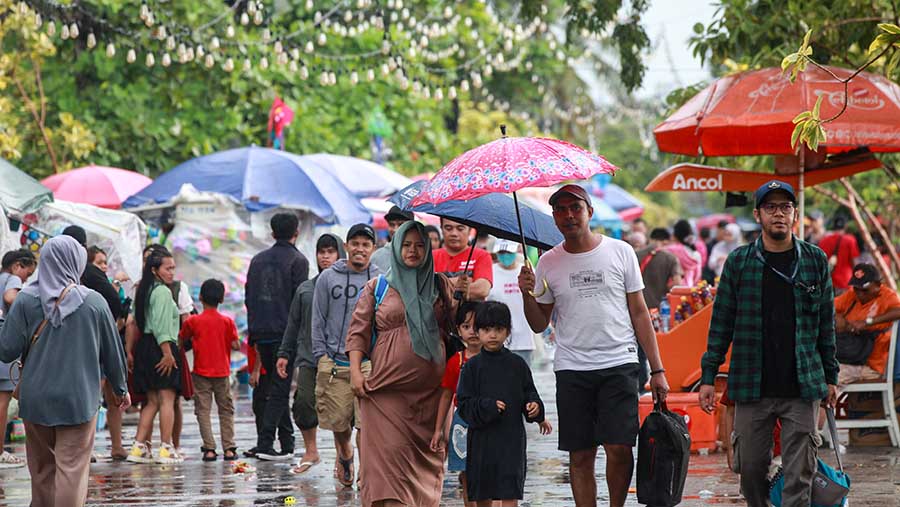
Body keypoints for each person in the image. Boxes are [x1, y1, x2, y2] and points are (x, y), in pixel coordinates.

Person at [518, 184, 669, 507]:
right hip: (573, 368)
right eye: (561, 209)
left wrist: (657, 369)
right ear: (554, 217)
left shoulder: (620, 251)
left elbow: (640, 312)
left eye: (576, 208)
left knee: (619, 447)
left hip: (620, 363)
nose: (569, 215)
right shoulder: (547, 263)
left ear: (590, 211)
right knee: (581, 453)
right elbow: (539, 323)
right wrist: (526, 293)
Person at [699, 180, 838, 507]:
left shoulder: (814, 260)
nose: (779, 213)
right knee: (749, 467)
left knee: (799, 470)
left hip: (802, 383)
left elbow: (825, 324)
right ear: (758, 214)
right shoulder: (740, 262)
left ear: (795, 214)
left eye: (785, 207)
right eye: (771, 207)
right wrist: (708, 376)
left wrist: (831, 377)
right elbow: (721, 323)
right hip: (751, 383)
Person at [0, 236, 128, 507]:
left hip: (35, 400)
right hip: (78, 400)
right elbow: (113, 352)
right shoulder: (94, 303)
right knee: (71, 469)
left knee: (43, 471)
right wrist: (120, 388)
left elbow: (6, 350)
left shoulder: (24, 300)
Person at [344, 220, 455, 506]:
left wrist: (462, 297)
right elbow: (357, 334)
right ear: (395, 247)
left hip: (432, 398)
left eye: (420, 245)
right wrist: (356, 373)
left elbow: (461, 328)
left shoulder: (440, 285)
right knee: (388, 464)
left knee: (427, 465)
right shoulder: (378, 287)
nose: (413, 251)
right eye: (406, 245)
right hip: (385, 394)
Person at [456, 301, 552, 507]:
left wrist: (535, 409)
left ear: (507, 332)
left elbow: (530, 393)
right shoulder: (472, 368)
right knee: (483, 492)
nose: (492, 335)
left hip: (511, 440)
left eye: (498, 329)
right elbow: (464, 404)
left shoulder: (517, 365)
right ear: (478, 332)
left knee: (510, 489)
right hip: (482, 441)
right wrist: (488, 406)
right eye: (487, 329)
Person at [312, 223, 380, 485]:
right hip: (334, 360)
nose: (360, 249)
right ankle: (345, 453)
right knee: (339, 423)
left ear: (373, 248)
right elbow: (317, 319)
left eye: (366, 244)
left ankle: (365, 471)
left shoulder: (380, 277)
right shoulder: (328, 277)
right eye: (356, 243)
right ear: (347, 246)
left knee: (366, 424)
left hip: (367, 362)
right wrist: (321, 355)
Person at [276, 233, 345, 474]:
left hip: (340, 358)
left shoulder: (348, 287)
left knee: (340, 410)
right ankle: (311, 450)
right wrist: (284, 353)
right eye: (321, 252)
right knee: (303, 404)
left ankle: (342, 455)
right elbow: (293, 324)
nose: (325, 257)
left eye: (330, 251)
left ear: (340, 254)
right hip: (308, 357)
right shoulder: (305, 289)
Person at [244, 212, 309, 459]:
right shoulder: (298, 261)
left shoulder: (258, 260)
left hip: (262, 331)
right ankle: (266, 442)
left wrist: (253, 334)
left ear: (272, 233)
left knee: (275, 384)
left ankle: (287, 441)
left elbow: (249, 298)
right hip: (285, 333)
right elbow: (299, 301)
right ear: (296, 233)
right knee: (280, 388)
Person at [127, 249, 184, 464]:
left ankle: (139, 446)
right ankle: (166, 447)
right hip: (161, 346)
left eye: (173, 268)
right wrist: (168, 354)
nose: (171, 273)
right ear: (154, 270)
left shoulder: (144, 289)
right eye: (167, 268)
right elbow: (161, 327)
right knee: (167, 399)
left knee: (151, 401)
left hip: (145, 347)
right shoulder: (161, 292)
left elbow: (133, 321)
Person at [179, 279, 240, 461]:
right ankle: (229, 448)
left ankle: (209, 448)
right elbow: (236, 345)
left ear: (200, 297)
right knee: (225, 409)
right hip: (222, 372)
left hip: (200, 372)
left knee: (203, 410)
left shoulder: (193, 321)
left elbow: (181, 340)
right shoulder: (227, 321)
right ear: (221, 299)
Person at [431, 301, 481, 507]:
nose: (472, 332)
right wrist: (438, 430)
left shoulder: (498, 360)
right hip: (463, 423)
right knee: (467, 473)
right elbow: (446, 395)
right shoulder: (456, 361)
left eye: (478, 327)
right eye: (466, 327)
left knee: (490, 472)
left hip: (491, 422)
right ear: (458, 330)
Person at [81, 245, 129, 460]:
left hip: (109, 344)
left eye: (104, 262)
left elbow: (119, 316)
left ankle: (117, 446)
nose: (103, 266)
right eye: (99, 262)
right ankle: (87, 448)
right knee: (94, 398)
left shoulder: (108, 287)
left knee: (114, 398)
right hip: (94, 347)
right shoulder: (90, 288)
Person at [834, 263, 900, 385]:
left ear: (878, 285)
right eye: (856, 289)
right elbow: (828, 306)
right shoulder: (852, 295)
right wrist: (838, 317)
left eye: (865, 290)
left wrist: (867, 322)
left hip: (871, 364)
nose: (860, 294)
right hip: (848, 356)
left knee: (825, 380)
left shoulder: (887, 296)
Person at [0, 249, 36, 469]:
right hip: (4, 338)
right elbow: (10, 297)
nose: (26, 280)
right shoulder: (12, 279)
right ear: (16, 266)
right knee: (3, 402)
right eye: (27, 274)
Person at [487, 240, 535, 365]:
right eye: (501, 252)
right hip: (496, 339)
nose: (505, 255)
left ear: (517, 250)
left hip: (524, 339)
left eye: (508, 251)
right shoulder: (490, 272)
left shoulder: (527, 272)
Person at [434, 218, 492, 300]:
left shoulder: (482, 255)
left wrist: (439, 284)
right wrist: (464, 283)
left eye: (460, 229)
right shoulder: (431, 256)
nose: (454, 233)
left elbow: (482, 290)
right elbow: (424, 288)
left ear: (470, 230)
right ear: (441, 229)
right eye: (448, 228)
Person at [638, 229, 684, 309]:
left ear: (650, 239)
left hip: (637, 306)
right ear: (666, 242)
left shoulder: (636, 254)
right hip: (659, 307)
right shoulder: (671, 258)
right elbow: (678, 283)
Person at [819, 216, 860, 293]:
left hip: (829, 284)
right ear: (845, 226)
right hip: (846, 283)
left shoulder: (824, 241)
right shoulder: (850, 240)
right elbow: (855, 263)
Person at [370, 206, 413, 273]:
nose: (395, 229)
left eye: (401, 224)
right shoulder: (377, 257)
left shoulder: (421, 256)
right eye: (391, 225)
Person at [667, 220, 703, 287]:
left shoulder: (670, 250)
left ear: (675, 234)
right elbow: (697, 276)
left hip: (673, 289)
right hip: (690, 288)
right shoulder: (696, 254)